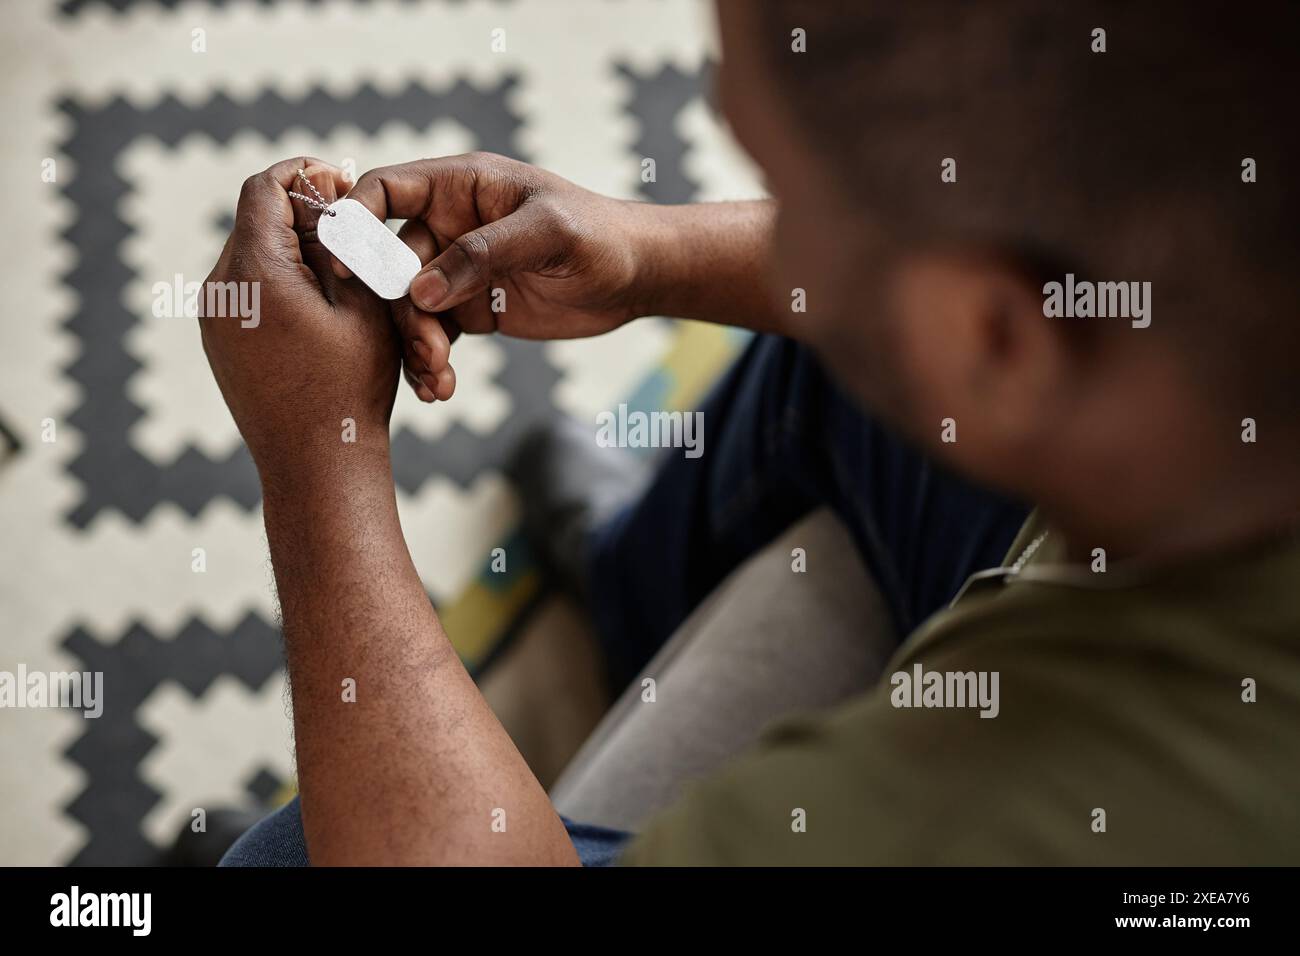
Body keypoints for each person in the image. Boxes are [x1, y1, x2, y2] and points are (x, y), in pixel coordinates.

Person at [208, 0, 1299, 865]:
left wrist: (322, 454)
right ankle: (632, 585)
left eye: (780, 179)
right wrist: (649, 256)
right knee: (840, 342)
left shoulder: (1003, 812)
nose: (775, 226)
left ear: (998, 339)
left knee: (292, 853)